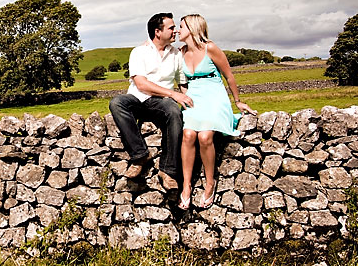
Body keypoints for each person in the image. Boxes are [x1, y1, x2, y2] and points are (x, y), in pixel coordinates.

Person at [176, 14, 257, 210]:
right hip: (194, 98)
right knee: (188, 134)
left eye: (181, 26)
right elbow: (181, 80)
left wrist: (238, 102)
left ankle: (209, 182)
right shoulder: (181, 51)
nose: (178, 30)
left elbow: (229, 76)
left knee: (204, 136)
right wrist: (184, 96)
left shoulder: (210, 48)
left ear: (193, 28)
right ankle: (186, 186)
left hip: (214, 97)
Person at [109, 13, 194, 190]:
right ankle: (140, 156)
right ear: (157, 32)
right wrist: (173, 94)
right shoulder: (139, 52)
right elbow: (141, 84)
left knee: (174, 112)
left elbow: (183, 82)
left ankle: (167, 171)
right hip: (137, 99)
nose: (175, 31)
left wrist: (190, 101)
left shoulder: (176, 54)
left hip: (160, 103)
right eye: (171, 28)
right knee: (117, 102)